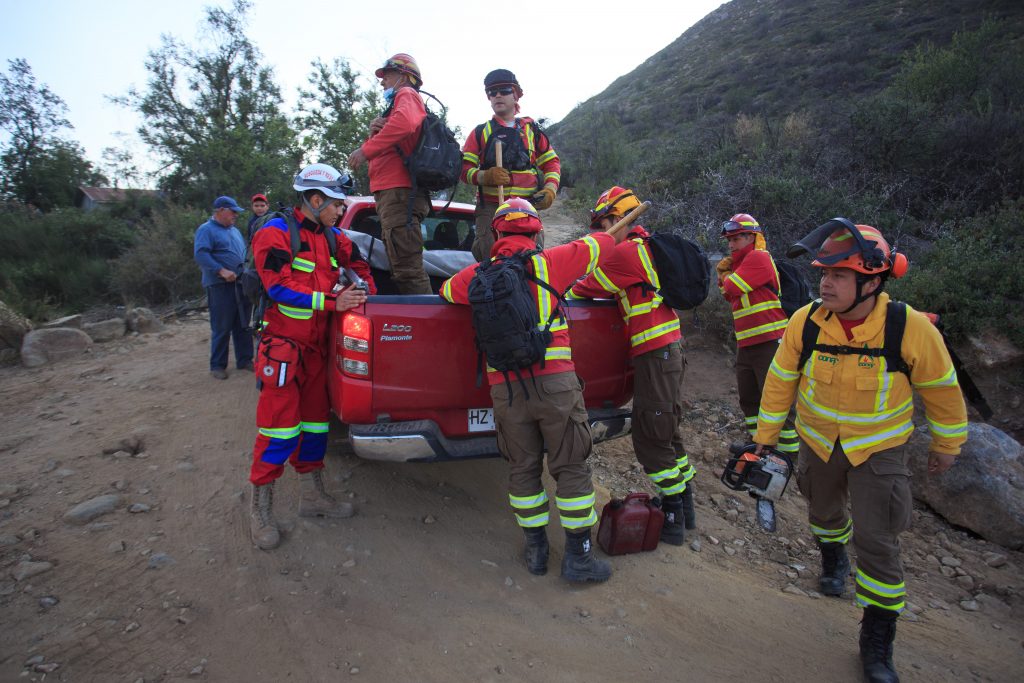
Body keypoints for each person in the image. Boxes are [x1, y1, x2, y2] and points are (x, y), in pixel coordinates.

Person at [752, 221, 967, 683]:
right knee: (824, 514)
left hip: (879, 451)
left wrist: (947, 444)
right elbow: (781, 380)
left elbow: (941, 389)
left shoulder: (908, 328)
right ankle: (833, 558)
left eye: (838, 275)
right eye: (823, 274)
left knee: (878, 540)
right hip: (818, 443)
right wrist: (765, 436)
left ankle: (877, 640)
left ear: (872, 282)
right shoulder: (805, 321)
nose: (825, 284)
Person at [439, 198, 620, 582]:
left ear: (496, 233)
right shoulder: (554, 261)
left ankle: (536, 551)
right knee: (570, 465)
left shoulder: (476, 275)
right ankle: (579, 558)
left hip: (506, 389)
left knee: (522, 468)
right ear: (538, 232)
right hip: (555, 384)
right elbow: (603, 244)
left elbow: (447, 292)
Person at [247, 163, 376, 551]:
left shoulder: (335, 238)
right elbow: (278, 287)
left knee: (316, 426)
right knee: (279, 430)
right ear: (315, 199)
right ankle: (260, 509)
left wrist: (364, 287)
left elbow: (358, 265)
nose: (341, 210)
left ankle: (313, 497)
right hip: (283, 350)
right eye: (336, 204)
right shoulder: (274, 233)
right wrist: (333, 302)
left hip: (318, 350)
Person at [567, 186, 696, 545]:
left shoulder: (626, 253)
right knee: (668, 432)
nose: (600, 231)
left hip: (656, 355)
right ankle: (685, 507)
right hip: (667, 352)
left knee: (651, 438)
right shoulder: (645, 247)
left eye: (603, 224)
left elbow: (582, 289)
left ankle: (673, 515)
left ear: (619, 219)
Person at [347, 53, 431, 294]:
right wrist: (375, 132)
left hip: (398, 193)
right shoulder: (398, 105)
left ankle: (425, 317)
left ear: (403, 76)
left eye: (387, 75)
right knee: (402, 266)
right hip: (395, 194)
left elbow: (405, 124)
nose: (382, 81)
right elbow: (402, 129)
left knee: (407, 269)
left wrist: (365, 151)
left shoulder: (407, 94)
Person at [716, 213, 798, 456]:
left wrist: (725, 276)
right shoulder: (738, 265)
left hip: (769, 340)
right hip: (747, 342)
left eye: (736, 238)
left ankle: (786, 456)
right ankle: (758, 446)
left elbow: (731, 287)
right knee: (749, 398)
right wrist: (727, 277)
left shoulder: (758, 257)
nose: (731, 244)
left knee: (776, 399)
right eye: (729, 240)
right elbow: (726, 294)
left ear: (751, 237)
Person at [461, 69, 560, 261]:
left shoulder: (532, 131)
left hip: (527, 208)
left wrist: (550, 190)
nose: (497, 95)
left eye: (504, 90)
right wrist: (485, 176)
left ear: (516, 95)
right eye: (492, 92)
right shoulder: (480, 132)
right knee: (491, 261)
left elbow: (552, 163)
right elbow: (464, 170)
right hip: (491, 209)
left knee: (531, 261)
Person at [193, 195, 253, 380]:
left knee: (243, 323)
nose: (235, 215)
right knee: (222, 326)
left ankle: (245, 360)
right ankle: (217, 365)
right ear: (220, 211)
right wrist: (221, 270)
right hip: (220, 286)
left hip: (240, 284)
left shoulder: (234, 230)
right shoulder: (206, 230)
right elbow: (201, 254)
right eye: (232, 211)